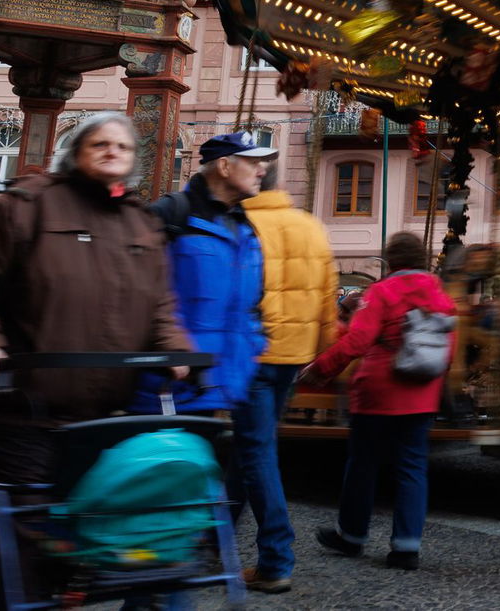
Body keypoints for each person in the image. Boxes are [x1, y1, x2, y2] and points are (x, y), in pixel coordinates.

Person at [0, 112, 189, 609]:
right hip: (18, 408)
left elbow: (160, 303)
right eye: (100, 143)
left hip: (100, 415)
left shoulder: (140, 221)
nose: (112, 152)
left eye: (123, 146)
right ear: (74, 150)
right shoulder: (25, 206)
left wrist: (173, 346)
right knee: (17, 528)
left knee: (81, 524)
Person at [307, 233, 455, 570]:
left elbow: (358, 341)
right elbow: (448, 352)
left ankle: (352, 535)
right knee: (413, 467)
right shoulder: (441, 296)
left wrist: (321, 368)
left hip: (378, 391)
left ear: (392, 261)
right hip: (421, 395)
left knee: (363, 464)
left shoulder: (381, 292)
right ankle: (406, 546)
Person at [233, 164, 340, 594]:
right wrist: (320, 349)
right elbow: (328, 295)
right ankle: (212, 539)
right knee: (249, 444)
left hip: (253, 353)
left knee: (256, 450)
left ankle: (276, 559)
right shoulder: (310, 226)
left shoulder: (242, 224)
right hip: (292, 356)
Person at [138, 131, 274, 416]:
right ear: (224, 166)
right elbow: (138, 292)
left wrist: (255, 342)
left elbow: (252, 303)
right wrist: (167, 351)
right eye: (252, 163)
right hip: (169, 386)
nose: (262, 171)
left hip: (220, 385)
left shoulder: (245, 228)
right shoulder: (171, 214)